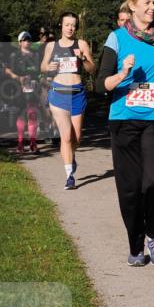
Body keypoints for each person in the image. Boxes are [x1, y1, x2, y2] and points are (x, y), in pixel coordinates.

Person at [96, 0, 154, 267]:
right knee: (130, 188)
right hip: (124, 121)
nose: (153, 7)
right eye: (147, 2)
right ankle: (135, 243)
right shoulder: (116, 39)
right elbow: (99, 85)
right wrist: (122, 74)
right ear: (132, 6)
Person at [40, 12, 95, 189]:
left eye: (73, 25)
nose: (70, 28)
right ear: (61, 26)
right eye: (67, 24)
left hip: (77, 94)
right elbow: (43, 67)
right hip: (58, 94)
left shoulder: (82, 44)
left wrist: (84, 58)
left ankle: (71, 158)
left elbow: (93, 69)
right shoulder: (51, 46)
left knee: (76, 138)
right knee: (65, 137)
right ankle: (69, 175)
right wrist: (48, 67)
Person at [5, 32, 42, 154]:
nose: (27, 41)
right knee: (21, 115)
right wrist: (17, 78)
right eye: (25, 39)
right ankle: (20, 142)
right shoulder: (14, 55)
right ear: (20, 42)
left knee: (33, 115)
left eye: (29, 39)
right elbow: (7, 70)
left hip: (33, 88)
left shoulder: (36, 55)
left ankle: (33, 142)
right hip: (18, 88)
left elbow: (41, 70)